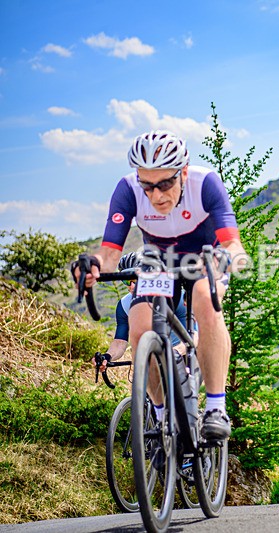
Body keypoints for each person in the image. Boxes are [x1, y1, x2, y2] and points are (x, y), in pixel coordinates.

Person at [73, 130, 247, 443]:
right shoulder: (127, 189)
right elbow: (110, 253)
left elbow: (232, 243)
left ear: (182, 172)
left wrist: (228, 258)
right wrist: (94, 265)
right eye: (148, 185)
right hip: (158, 263)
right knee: (140, 332)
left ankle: (216, 408)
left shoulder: (205, 183)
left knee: (205, 299)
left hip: (204, 258)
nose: (156, 195)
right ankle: (160, 413)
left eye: (165, 184)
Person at [94, 252, 190, 374]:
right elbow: (119, 342)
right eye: (127, 281)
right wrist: (107, 357)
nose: (132, 286)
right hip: (155, 359)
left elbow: (193, 336)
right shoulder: (124, 306)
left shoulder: (176, 298)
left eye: (136, 279)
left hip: (184, 354)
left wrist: (173, 352)